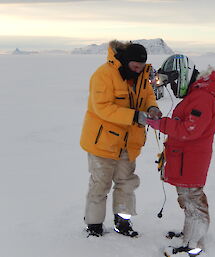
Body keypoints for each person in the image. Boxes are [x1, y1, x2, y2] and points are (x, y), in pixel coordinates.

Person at [80, 40, 162, 238]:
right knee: (100, 184)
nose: (138, 70)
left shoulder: (142, 76)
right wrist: (135, 116)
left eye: (141, 67)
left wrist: (151, 108)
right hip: (103, 142)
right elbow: (102, 107)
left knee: (126, 182)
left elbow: (148, 95)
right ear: (126, 61)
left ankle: (123, 222)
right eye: (135, 66)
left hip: (129, 143)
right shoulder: (103, 75)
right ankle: (94, 225)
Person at [147, 62, 215, 256]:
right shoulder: (196, 95)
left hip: (191, 159)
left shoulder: (202, 98)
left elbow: (190, 129)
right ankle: (189, 235)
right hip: (185, 158)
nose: (173, 88)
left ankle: (193, 245)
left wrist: (160, 124)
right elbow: (184, 124)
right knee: (187, 199)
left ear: (182, 76)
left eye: (173, 83)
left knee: (194, 200)